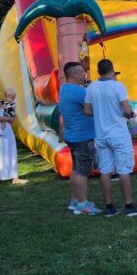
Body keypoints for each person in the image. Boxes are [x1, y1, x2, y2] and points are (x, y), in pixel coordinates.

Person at [83, 58, 137, 217]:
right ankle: (129, 205)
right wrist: (130, 114)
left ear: (98, 72)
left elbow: (87, 110)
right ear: (112, 70)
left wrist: (102, 112)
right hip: (118, 134)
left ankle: (109, 207)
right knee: (124, 169)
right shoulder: (118, 86)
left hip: (101, 135)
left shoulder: (91, 87)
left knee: (105, 170)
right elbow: (127, 110)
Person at [58, 61, 101, 215]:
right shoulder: (79, 92)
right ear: (74, 74)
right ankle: (82, 205)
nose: (84, 74)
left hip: (72, 135)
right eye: (82, 71)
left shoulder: (64, 89)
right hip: (83, 136)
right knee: (83, 171)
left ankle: (75, 200)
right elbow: (95, 106)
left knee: (76, 169)